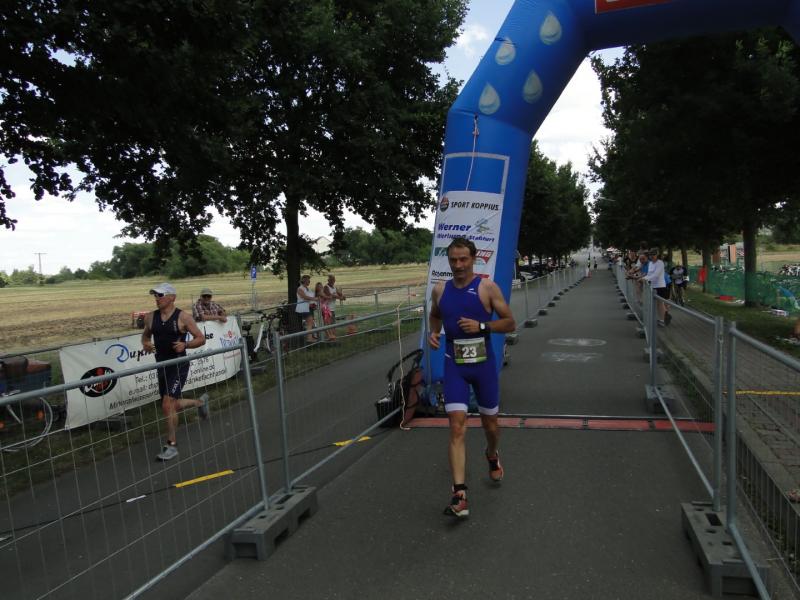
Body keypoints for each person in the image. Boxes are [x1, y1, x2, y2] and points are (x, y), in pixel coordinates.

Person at [428, 237, 516, 518]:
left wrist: (482, 326)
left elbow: (510, 322)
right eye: (453, 260)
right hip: (454, 364)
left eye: (463, 259)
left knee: (491, 425)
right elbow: (435, 315)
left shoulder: (487, 287)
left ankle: (492, 454)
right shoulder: (440, 289)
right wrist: (434, 332)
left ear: (474, 258)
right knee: (456, 427)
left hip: (483, 366)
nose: (458, 265)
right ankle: (460, 493)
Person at [141, 283, 208, 462]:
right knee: (171, 406)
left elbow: (201, 339)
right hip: (162, 365)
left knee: (167, 404)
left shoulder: (183, 317)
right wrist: (145, 343)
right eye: (155, 295)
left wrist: (185, 345)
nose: (157, 298)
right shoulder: (150, 317)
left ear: (172, 297)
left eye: (160, 295)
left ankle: (171, 446)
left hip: (179, 365)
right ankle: (200, 402)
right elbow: (145, 336)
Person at [643, 248, 669, 326]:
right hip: (653, 286)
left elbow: (656, 275)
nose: (652, 256)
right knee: (658, 304)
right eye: (651, 255)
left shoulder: (660, 263)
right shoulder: (650, 263)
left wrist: (645, 278)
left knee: (660, 304)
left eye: (654, 255)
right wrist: (644, 278)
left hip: (660, 286)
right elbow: (649, 274)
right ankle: (662, 318)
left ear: (657, 255)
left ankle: (664, 319)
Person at [296, 275, 317, 344]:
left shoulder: (307, 288)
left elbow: (310, 296)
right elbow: (304, 297)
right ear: (304, 281)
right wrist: (314, 299)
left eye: (309, 280)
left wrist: (314, 302)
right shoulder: (300, 288)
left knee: (311, 322)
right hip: (303, 308)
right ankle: (309, 338)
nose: (309, 281)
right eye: (308, 280)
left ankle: (311, 337)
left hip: (309, 307)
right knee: (310, 321)